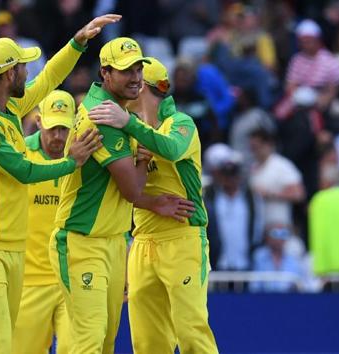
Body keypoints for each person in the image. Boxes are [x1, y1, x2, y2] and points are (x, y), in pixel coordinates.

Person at [0, 14, 120, 354]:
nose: (29, 71)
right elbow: (23, 170)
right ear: (9, 73)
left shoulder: (6, 106)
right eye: (23, 67)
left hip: (12, 247)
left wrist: (77, 43)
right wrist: (72, 161)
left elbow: (48, 80)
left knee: (3, 347)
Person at [50, 38, 195, 354]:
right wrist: (143, 160)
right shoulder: (103, 116)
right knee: (88, 339)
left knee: (103, 342)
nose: (135, 77)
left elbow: (116, 188)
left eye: (138, 68)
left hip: (112, 241)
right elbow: (131, 190)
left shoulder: (117, 111)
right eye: (125, 70)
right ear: (105, 72)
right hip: (82, 239)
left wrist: (152, 200)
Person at [89, 57, 218, 353]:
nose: (130, 84)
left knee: (191, 332)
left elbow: (171, 149)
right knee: (147, 342)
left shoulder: (180, 123)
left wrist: (129, 123)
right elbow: (125, 192)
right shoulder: (132, 133)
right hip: (142, 243)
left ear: (145, 86)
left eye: (136, 77)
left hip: (182, 239)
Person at [11, 90, 75, 354]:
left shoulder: (86, 158)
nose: (58, 137)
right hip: (29, 282)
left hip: (73, 280)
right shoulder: (19, 156)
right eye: (52, 128)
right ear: (38, 122)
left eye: (64, 128)